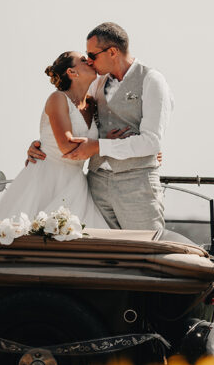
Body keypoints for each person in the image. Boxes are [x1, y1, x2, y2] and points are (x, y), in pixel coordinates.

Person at [27, 22, 173, 232]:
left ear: (112, 52)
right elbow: (73, 117)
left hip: (136, 185)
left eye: (92, 56)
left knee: (145, 250)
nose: (89, 61)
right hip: (94, 187)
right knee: (103, 254)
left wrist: (98, 147)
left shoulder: (152, 80)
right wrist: (42, 145)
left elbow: (152, 141)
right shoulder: (96, 83)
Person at [0, 51, 110, 229]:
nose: (91, 62)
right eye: (84, 60)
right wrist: (106, 146)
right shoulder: (57, 98)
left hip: (77, 184)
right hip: (45, 180)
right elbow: (66, 147)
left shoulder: (93, 105)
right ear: (72, 72)